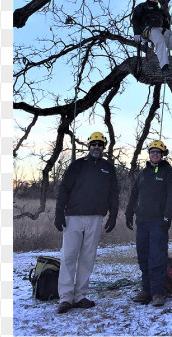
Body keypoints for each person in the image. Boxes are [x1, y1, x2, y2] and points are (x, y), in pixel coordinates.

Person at [53, 131, 119, 313]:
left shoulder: (108, 168)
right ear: (89, 146)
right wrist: (59, 213)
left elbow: (114, 193)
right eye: (93, 144)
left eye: (100, 144)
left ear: (103, 147)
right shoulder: (77, 165)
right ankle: (66, 297)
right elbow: (64, 189)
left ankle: (80, 295)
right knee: (68, 256)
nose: (96, 147)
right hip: (73, 217)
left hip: (96, 218)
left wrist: (113, 215)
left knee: (87, 258)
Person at [125, 140, 172, 307]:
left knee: (157, 258)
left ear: (162, 154)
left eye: (158, 152)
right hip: (142, 221)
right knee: (143, 257)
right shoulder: (143, 173)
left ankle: (157, 292)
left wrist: (167, 217)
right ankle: (146, 289)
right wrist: (128, 213)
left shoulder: (168, 173)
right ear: (149, 154)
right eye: (152, 151)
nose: (155, 154)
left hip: (158, 222)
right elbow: (134, 194)